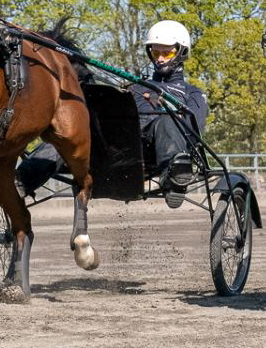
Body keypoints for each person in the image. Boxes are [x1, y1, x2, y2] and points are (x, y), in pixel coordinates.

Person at [16, 19, 208, 208]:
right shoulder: (135, 86)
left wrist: (168, 111)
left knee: (167, 121)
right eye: (156, 52)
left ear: (182, 52)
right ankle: (21, 180)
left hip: (152, 150)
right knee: (69, 132)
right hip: (114, 140)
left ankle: (174, 177)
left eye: (167, 53)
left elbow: (193, 130)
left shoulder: (193, 93)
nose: (160, 58)